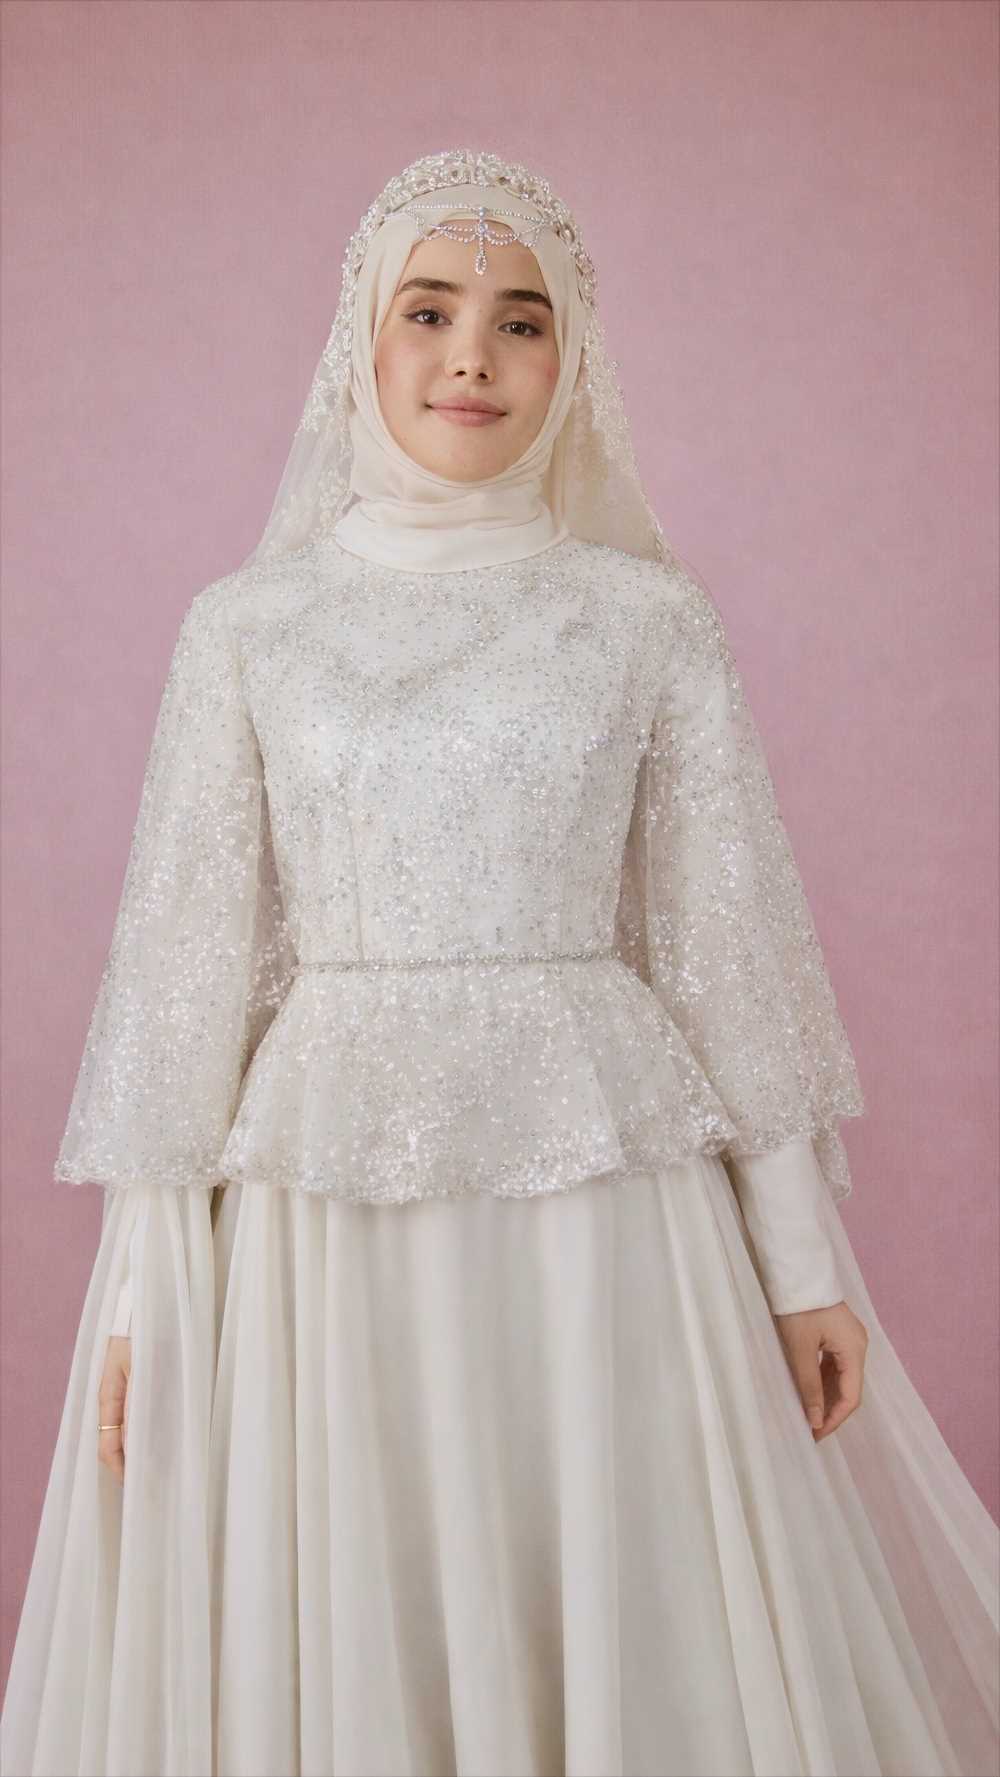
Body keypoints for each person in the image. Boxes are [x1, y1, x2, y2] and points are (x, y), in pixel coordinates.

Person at [2, 147, 997, 1777]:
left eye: (522, 319)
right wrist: (137, 1300)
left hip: (601, 1213)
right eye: (429, 309)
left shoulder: (648, 619)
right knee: (370, 1606)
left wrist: (802, 1262)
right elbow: (184, 984)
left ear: (571, 360)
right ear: (359, 340)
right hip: (329, 1224)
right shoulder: (246, 627)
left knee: (617, 1596)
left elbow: (727, 948)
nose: (472, 353)